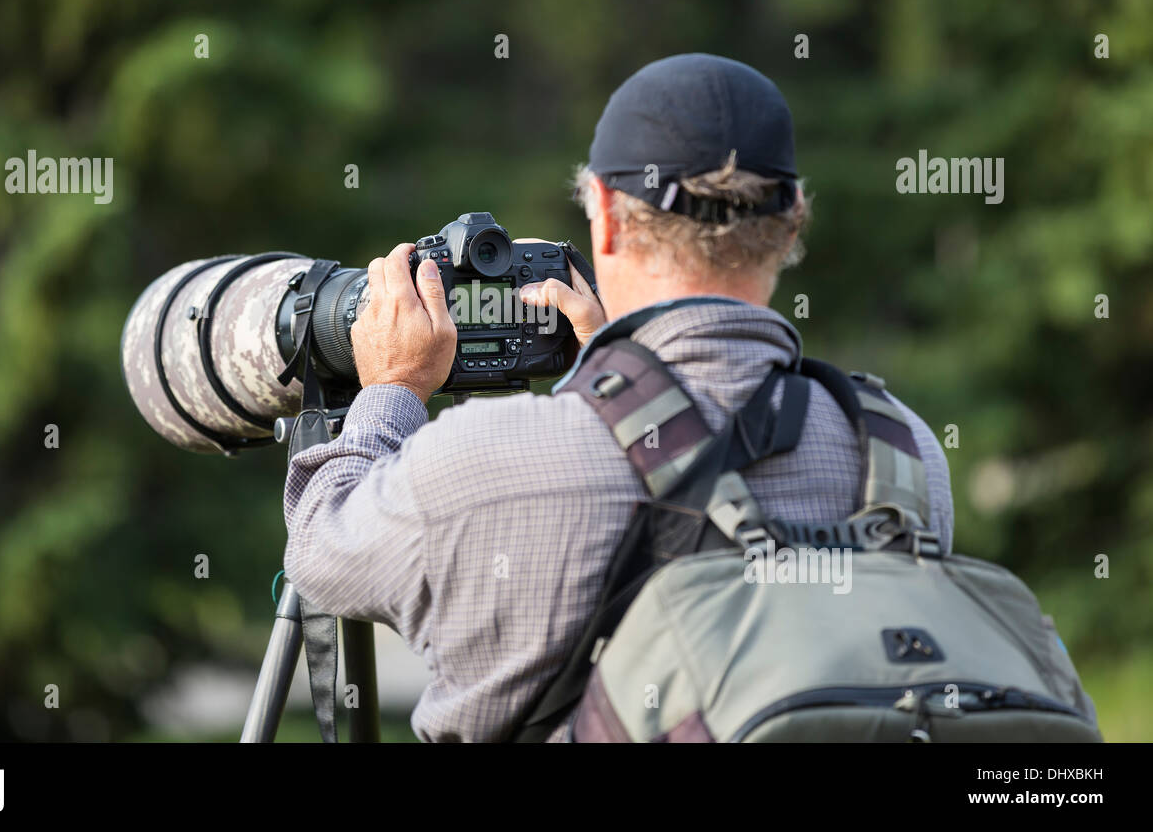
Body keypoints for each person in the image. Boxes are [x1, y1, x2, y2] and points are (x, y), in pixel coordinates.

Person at [283, 53, 953, 742]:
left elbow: (321, 548)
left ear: (603, 213)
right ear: (792, 221)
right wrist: (617, 376)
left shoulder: (488, 460)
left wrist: (392, 386)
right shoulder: (900, 454)